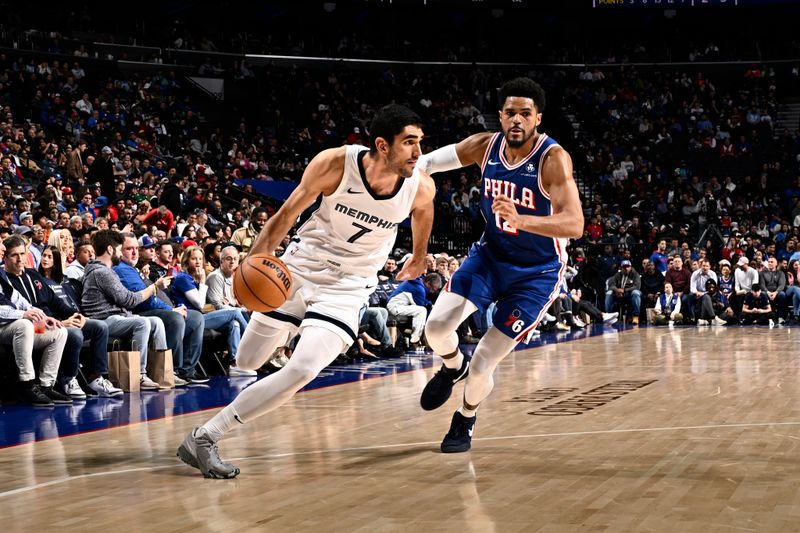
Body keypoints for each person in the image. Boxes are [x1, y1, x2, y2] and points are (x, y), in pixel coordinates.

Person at [177, 103, 435, 478]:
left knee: (303, 368)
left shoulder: (420, 186)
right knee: (247, 360)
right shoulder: (334, 164)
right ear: (383, 145)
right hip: (299, 270)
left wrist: (420, 254)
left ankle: (206, 436)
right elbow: (287, 213)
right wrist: (256, 259)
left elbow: (424, 214)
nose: (418, 152)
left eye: (420, 143)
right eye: (409, 143)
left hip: (348, 286)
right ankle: (289, 324)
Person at [414, 78, 583, 453]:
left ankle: (466, 417)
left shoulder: (552, 159)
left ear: (538, 118)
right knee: (436, 328)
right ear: (500, 117)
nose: (517, 120)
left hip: (536, 274)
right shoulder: (483, 146)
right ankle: (451, 364)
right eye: (510, 113)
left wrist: (524, 221)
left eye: (525, 113)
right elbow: (425, 164)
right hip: (490, 255)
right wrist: (402, 175)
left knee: (484, 364)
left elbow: (575, 224)